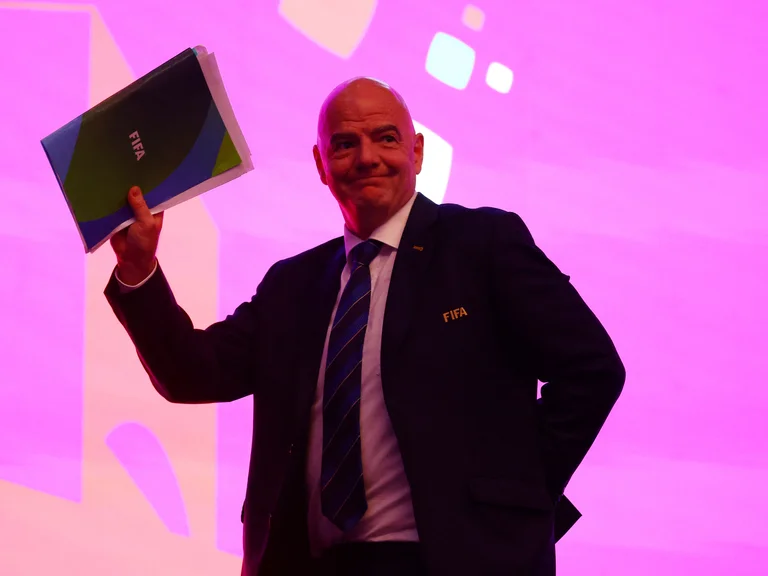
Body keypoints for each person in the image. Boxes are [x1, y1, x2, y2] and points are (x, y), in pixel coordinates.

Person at [105, 77, 625, 576]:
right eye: (345, 144)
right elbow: (191, 372)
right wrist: (138, 269)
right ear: (320, 164)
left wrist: (515, 491)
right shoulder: (292, 285)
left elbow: (592, 369)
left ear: (417, 152)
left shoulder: (483, 244)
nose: (367, 157)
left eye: (386, 138)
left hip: (450, 563)